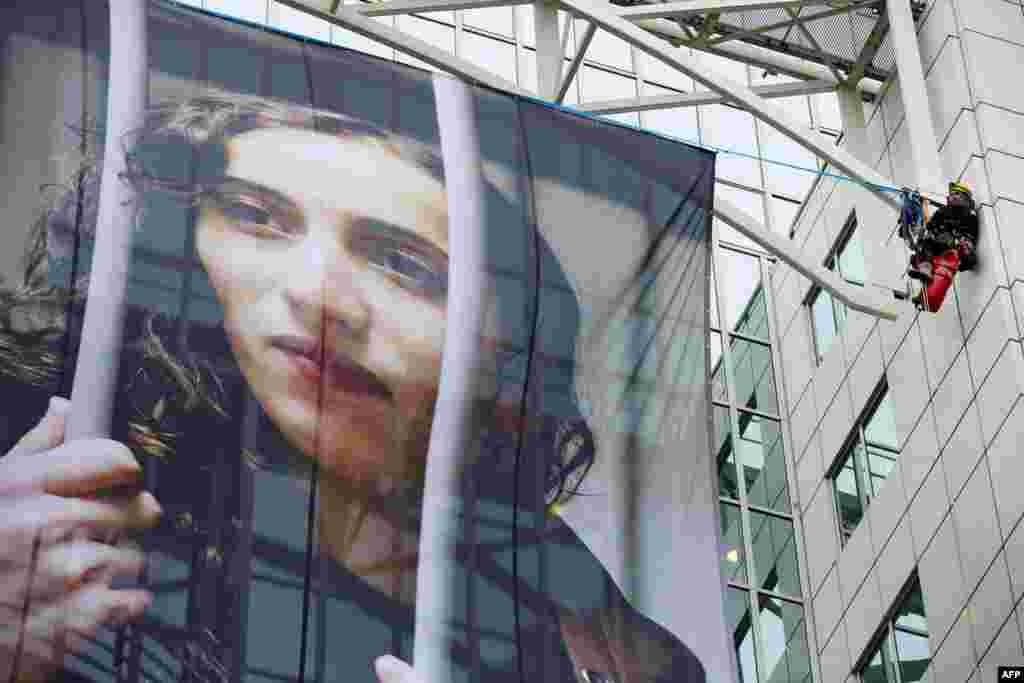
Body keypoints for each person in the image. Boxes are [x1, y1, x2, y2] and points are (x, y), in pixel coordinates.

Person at [0, 91, 706, 682]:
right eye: (255, 216)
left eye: (402, 263)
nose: (320, 295)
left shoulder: (538, 586)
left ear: (504, 351)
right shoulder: (38, 460)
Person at [905, 181, 979, 312]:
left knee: (941, 271)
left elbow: (970, 236)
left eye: (957, 194)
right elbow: (931, 227)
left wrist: (962, 244)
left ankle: (926, 289)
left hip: (953, 244)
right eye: (952, 194)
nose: (953, 196)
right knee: (925, 247)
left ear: (965, 198)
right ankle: (925, 272)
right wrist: (927, 235)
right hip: (938, 246)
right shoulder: (942, 211)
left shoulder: (969, 216)